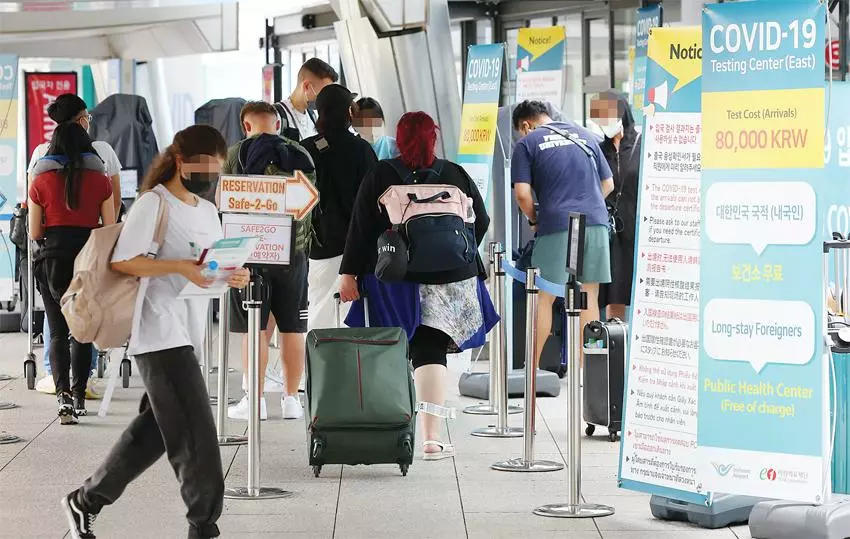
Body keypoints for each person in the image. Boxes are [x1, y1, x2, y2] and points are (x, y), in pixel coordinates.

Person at [62, 125, 249, 539]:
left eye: (215, 171)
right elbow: (124, 262)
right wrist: (179, 267)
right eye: (203, 168)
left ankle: (85, 501)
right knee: (197, 440)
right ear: (180, 161)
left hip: (190, 329)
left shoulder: (205, 209)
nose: (209, 177)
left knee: (154, 433)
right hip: (159, 332)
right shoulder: (154, 203)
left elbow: (210, 266)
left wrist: (233, 275)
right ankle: (204, 526)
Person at [338, 112, 497, 460]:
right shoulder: (455, 173)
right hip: (451, 278)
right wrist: (455, 252)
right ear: (433, 138)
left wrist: (349, 273)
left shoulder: (382, 173)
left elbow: (361, 228)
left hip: (396, 279)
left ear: (398, 138)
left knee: (393, 348)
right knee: (431, 350)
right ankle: (431, 437)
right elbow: (481, 220)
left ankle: (389, 425)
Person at [223, 101, 316, 421]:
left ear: (246, 126)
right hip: (293, 252)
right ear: (277, 124)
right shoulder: (301, 153)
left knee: (255, 328)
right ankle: (291, 400)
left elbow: (225, 202)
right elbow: (310, 205)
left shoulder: (237, 153)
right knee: (292, 328)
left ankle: (255, 401)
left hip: (250, 255)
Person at [510, 100, 615, 367]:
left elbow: (522, 194)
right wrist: (586, 204)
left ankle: (529, 371)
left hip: (557, 224)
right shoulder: (585, 135)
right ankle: (588, 369)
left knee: (544, 297)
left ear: (525, 125)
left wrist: (534, 218)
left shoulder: (527, 142)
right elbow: (608, 184)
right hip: (594, 222)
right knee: (589, 296)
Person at [30, 94, 121, 397]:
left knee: (57, 331)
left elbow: (33, 232)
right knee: (82, 330)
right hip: (87, 260)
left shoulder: (40, 179)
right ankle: (81, 394)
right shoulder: (100, 177)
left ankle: (63, 398)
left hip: (52, 259)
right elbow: (109, 226)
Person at [301, 85, 377, 332]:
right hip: (355, 248)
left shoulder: (305, 148)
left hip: (316, 246)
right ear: (347, 112)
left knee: (317, 311)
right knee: (354, 317)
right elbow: (372, 201)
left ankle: (317, 366)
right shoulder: (361, 149)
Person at [590, 91, 641, 321]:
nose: (605, 123)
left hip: (639, 228)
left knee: (642, 289)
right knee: (614, 293)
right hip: (610, 231)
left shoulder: (642, 144)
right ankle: (617, 345)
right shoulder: (598, 150)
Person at [273, 57, 339, 142]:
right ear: (306, 86)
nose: (326, 98)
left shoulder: (313, 116)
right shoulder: (276, 116)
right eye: (323, 92)